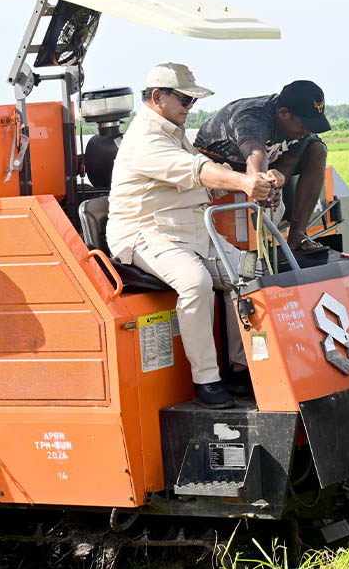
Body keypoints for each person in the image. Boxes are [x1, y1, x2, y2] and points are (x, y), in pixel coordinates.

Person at [107, 63, 283, 409]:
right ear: (158, 97)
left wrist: (259, 182)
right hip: (145, 232)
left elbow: (207, 168)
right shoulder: (145, 139)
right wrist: (245, 183)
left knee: (250, 275)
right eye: (185, 100)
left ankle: (241, 366)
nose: (190, 108)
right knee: (195, 282)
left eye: (192, 101)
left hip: (189, 231)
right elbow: (196, 170)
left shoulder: (173, 131)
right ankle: (207, 380)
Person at [193, 80, 332, 252]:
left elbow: (288, 163)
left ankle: (298, 236)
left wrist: (274, 185)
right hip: (221, 161)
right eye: (304, 124)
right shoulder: (252, 116)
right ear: (283, 113)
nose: (308, 131)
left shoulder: (300, 129)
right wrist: (262, 188)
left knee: (317, 149)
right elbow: (255, 155)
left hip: (265, 159)